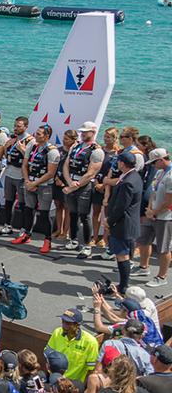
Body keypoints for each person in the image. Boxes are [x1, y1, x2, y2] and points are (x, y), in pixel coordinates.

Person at [14, 124, 61, 255]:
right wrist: (28, 181)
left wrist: (35, 183)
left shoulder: (52, 151)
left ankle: (47, 240)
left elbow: (51, 173)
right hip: (30, 182)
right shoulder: (32, 146)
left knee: (44, 214)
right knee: (28, 210)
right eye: (36, 132)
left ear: (47, 136)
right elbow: (25, 165)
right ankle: (26, 235)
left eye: (39, 134)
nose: (35, 135)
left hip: (45, 186)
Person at [62, 122, 105, 258]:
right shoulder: (75, 146)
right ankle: (73, 239)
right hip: (71, 183)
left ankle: (87, 245)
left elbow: (91, 173)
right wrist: (69, 182)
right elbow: (66, 165)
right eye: (82, 131)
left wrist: (76, 185)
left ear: (93, 132)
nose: (83, 134)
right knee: (73, 213)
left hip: (84, 185)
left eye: (86, 132)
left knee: (84, 216)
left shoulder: (97, 151)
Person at [106, 151, 142, 294]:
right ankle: (123, 284)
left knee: (122, 256)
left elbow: (121, 206)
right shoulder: (134, 177)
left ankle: (123, 286)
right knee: (123, 255)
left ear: (122, 163)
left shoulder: (128, 182)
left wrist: (109, 220)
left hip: (123, 224)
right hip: (128, 223)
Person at [138, 148, 172, 286]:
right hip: (153, 213)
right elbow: (153, 191)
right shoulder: (159, 172)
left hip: (165, 217)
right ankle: (143, 267)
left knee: (163, 248)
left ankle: (162, 276)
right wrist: (150, 209)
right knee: (144, 240)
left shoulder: (170, 176)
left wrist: (155, 212)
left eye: (154, 163)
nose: (152, 165)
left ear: (161, 160)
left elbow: (169, 201)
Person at [44, 308, 98, 383]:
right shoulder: (57, 332)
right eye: (63, 321)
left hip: (73, 385)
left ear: (78, 325)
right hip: (55, 380)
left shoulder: (91, 342)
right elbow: (47, 356)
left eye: (68, 323)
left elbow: (91, 370)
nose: (64, 325)